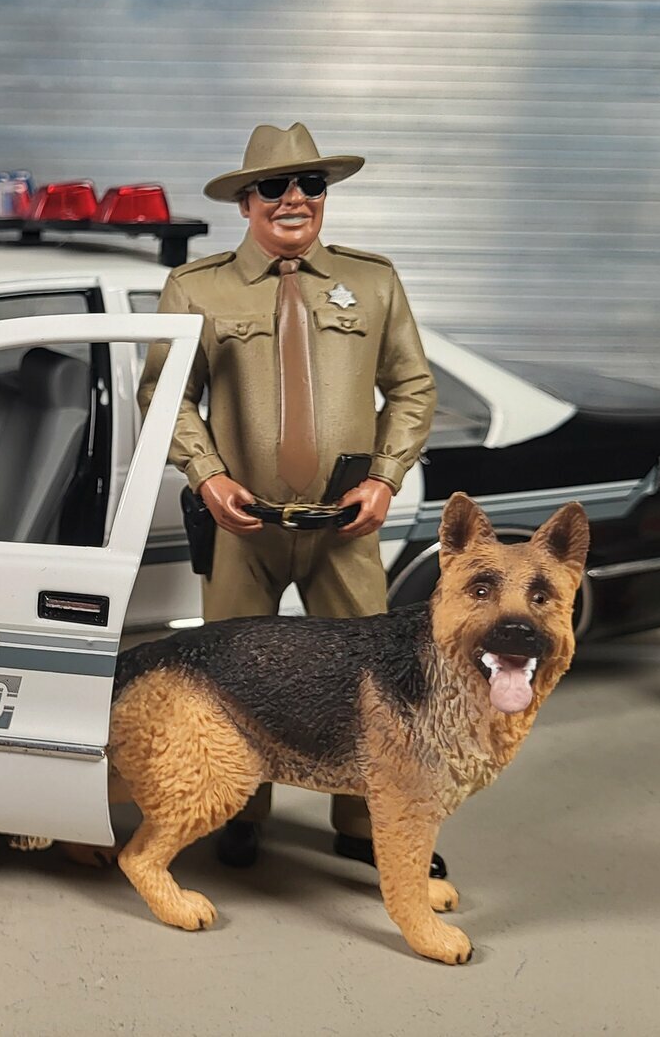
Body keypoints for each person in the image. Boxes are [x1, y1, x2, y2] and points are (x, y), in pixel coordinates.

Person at [137, 122, 441, 874]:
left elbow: (412, 386)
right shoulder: (197, 288)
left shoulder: (373, 281)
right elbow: (165, 396)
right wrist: (207, 475)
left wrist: (385, 477)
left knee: (376, 681)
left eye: (311, 184)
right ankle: (236, 810)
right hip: (244, 526)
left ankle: (368, 827)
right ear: (246, 202)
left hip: (345, 524)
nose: (294, 198)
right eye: (273, 186)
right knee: (234, 674)